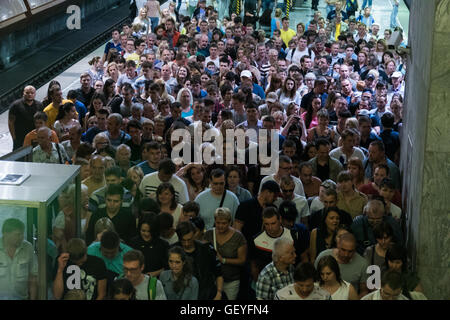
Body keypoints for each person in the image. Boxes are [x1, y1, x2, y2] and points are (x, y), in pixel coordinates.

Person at [204, 208, 247, 300]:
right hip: (213, 280)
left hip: (231, 281)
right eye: (218, 223)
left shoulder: (238, 237)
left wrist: (223, 260)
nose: (220, 226)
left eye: (224, 223)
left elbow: (242, 260)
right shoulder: (209, 234)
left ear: (230, 222)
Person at [174, 221, 224, 300]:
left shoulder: (206, 249)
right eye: (183, 240)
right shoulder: (173, 251)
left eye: (189, 240)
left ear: (194, 234)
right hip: (183, 295)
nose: (186, 243)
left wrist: (219, 293)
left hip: (206, 293)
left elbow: (219, 273)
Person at [314, 232, 369, 298]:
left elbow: (364, 291)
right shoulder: (322, 256)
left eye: (350, 251)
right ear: (338, 245)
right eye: (343, 250)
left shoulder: (362, 264)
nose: (346, 254)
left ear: (355, 249)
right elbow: (313, 280)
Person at [0, 218, 38, 300]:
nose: (21, 237)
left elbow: (33, 278)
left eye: (22, 234)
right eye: (18, 234)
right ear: (5, 234)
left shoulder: (28, 247)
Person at [8, 85, 43, 150]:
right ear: (23, 93)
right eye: (27, 93)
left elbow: (43, 121)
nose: (30, 94)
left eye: (32, 93)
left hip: (35, 137)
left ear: (35, 94)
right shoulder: (15, 105)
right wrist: (14, 137)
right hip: (20, 138)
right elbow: (11, 122)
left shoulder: (40, 105)